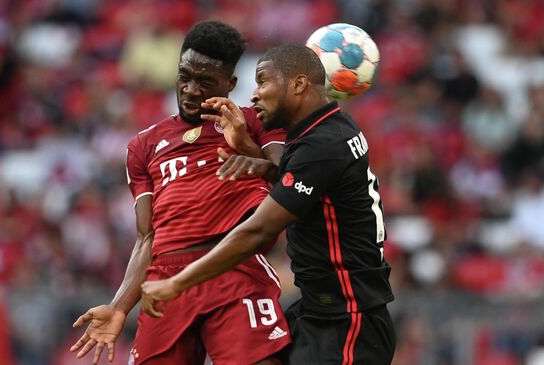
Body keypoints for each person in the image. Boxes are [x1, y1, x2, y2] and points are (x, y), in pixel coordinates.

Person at [141, 44, 396, 365]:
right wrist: (249, 148)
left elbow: (259, 232)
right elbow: (299, 181)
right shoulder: (330, 128)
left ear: (298, 84)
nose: (254, 95)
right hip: (319, 311)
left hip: (348, 323)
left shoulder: (321, 145)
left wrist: (178, 281)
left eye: (263, 82)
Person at [69, 21, 291, 365]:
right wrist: (118, 308)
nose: (190, 89)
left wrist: (245, 146)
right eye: (184, 76)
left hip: (235, 267)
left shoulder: (256, 121)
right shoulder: (143, 146)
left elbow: (288, 180)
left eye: (205, 82)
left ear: (230, 84)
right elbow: (147, 238)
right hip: (166, 282)